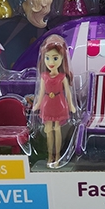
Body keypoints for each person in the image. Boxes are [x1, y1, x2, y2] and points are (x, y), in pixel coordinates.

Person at [33, 35, 76, 167]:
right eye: (47, 58)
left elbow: (68, 93)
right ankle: (50, 156)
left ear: (62, 58)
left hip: (59, 103)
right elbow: (41, 93)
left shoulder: (62, 77)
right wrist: (37, 104)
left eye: (55, 58)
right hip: (47, 104)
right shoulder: (44, 76)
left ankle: (57, 156)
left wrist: (71, 105)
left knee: (57, 130)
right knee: (48, 131)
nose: (51, 62)